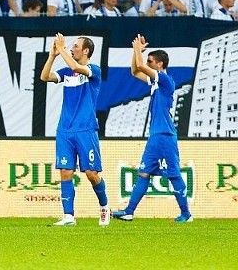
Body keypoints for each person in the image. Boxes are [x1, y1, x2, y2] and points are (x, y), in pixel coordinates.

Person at [113, 35, 193, 223]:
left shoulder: (165, 80)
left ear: (159, 64)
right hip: (155, 136)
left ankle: (186, 213)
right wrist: (138, 54)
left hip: (164, 135)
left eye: (150, 61)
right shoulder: (156, 83)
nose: (147, 63)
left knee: (173, 174)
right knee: (143, 172)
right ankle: (129, 211)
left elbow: (140, 67)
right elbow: (135, 71)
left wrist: (137, 51)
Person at [40, 33, 109, 226]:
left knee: (91, 174)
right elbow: (44, 77)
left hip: (86, 129)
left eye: (76, 46)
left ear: (86, 51)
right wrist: (53, 55)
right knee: (65, 172)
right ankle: (69, 216)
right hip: (65, 129)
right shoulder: (66, 72)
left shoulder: (93, 70)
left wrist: (61, 49)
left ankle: (104, 206)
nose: (72, 48)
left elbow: (77, 67)